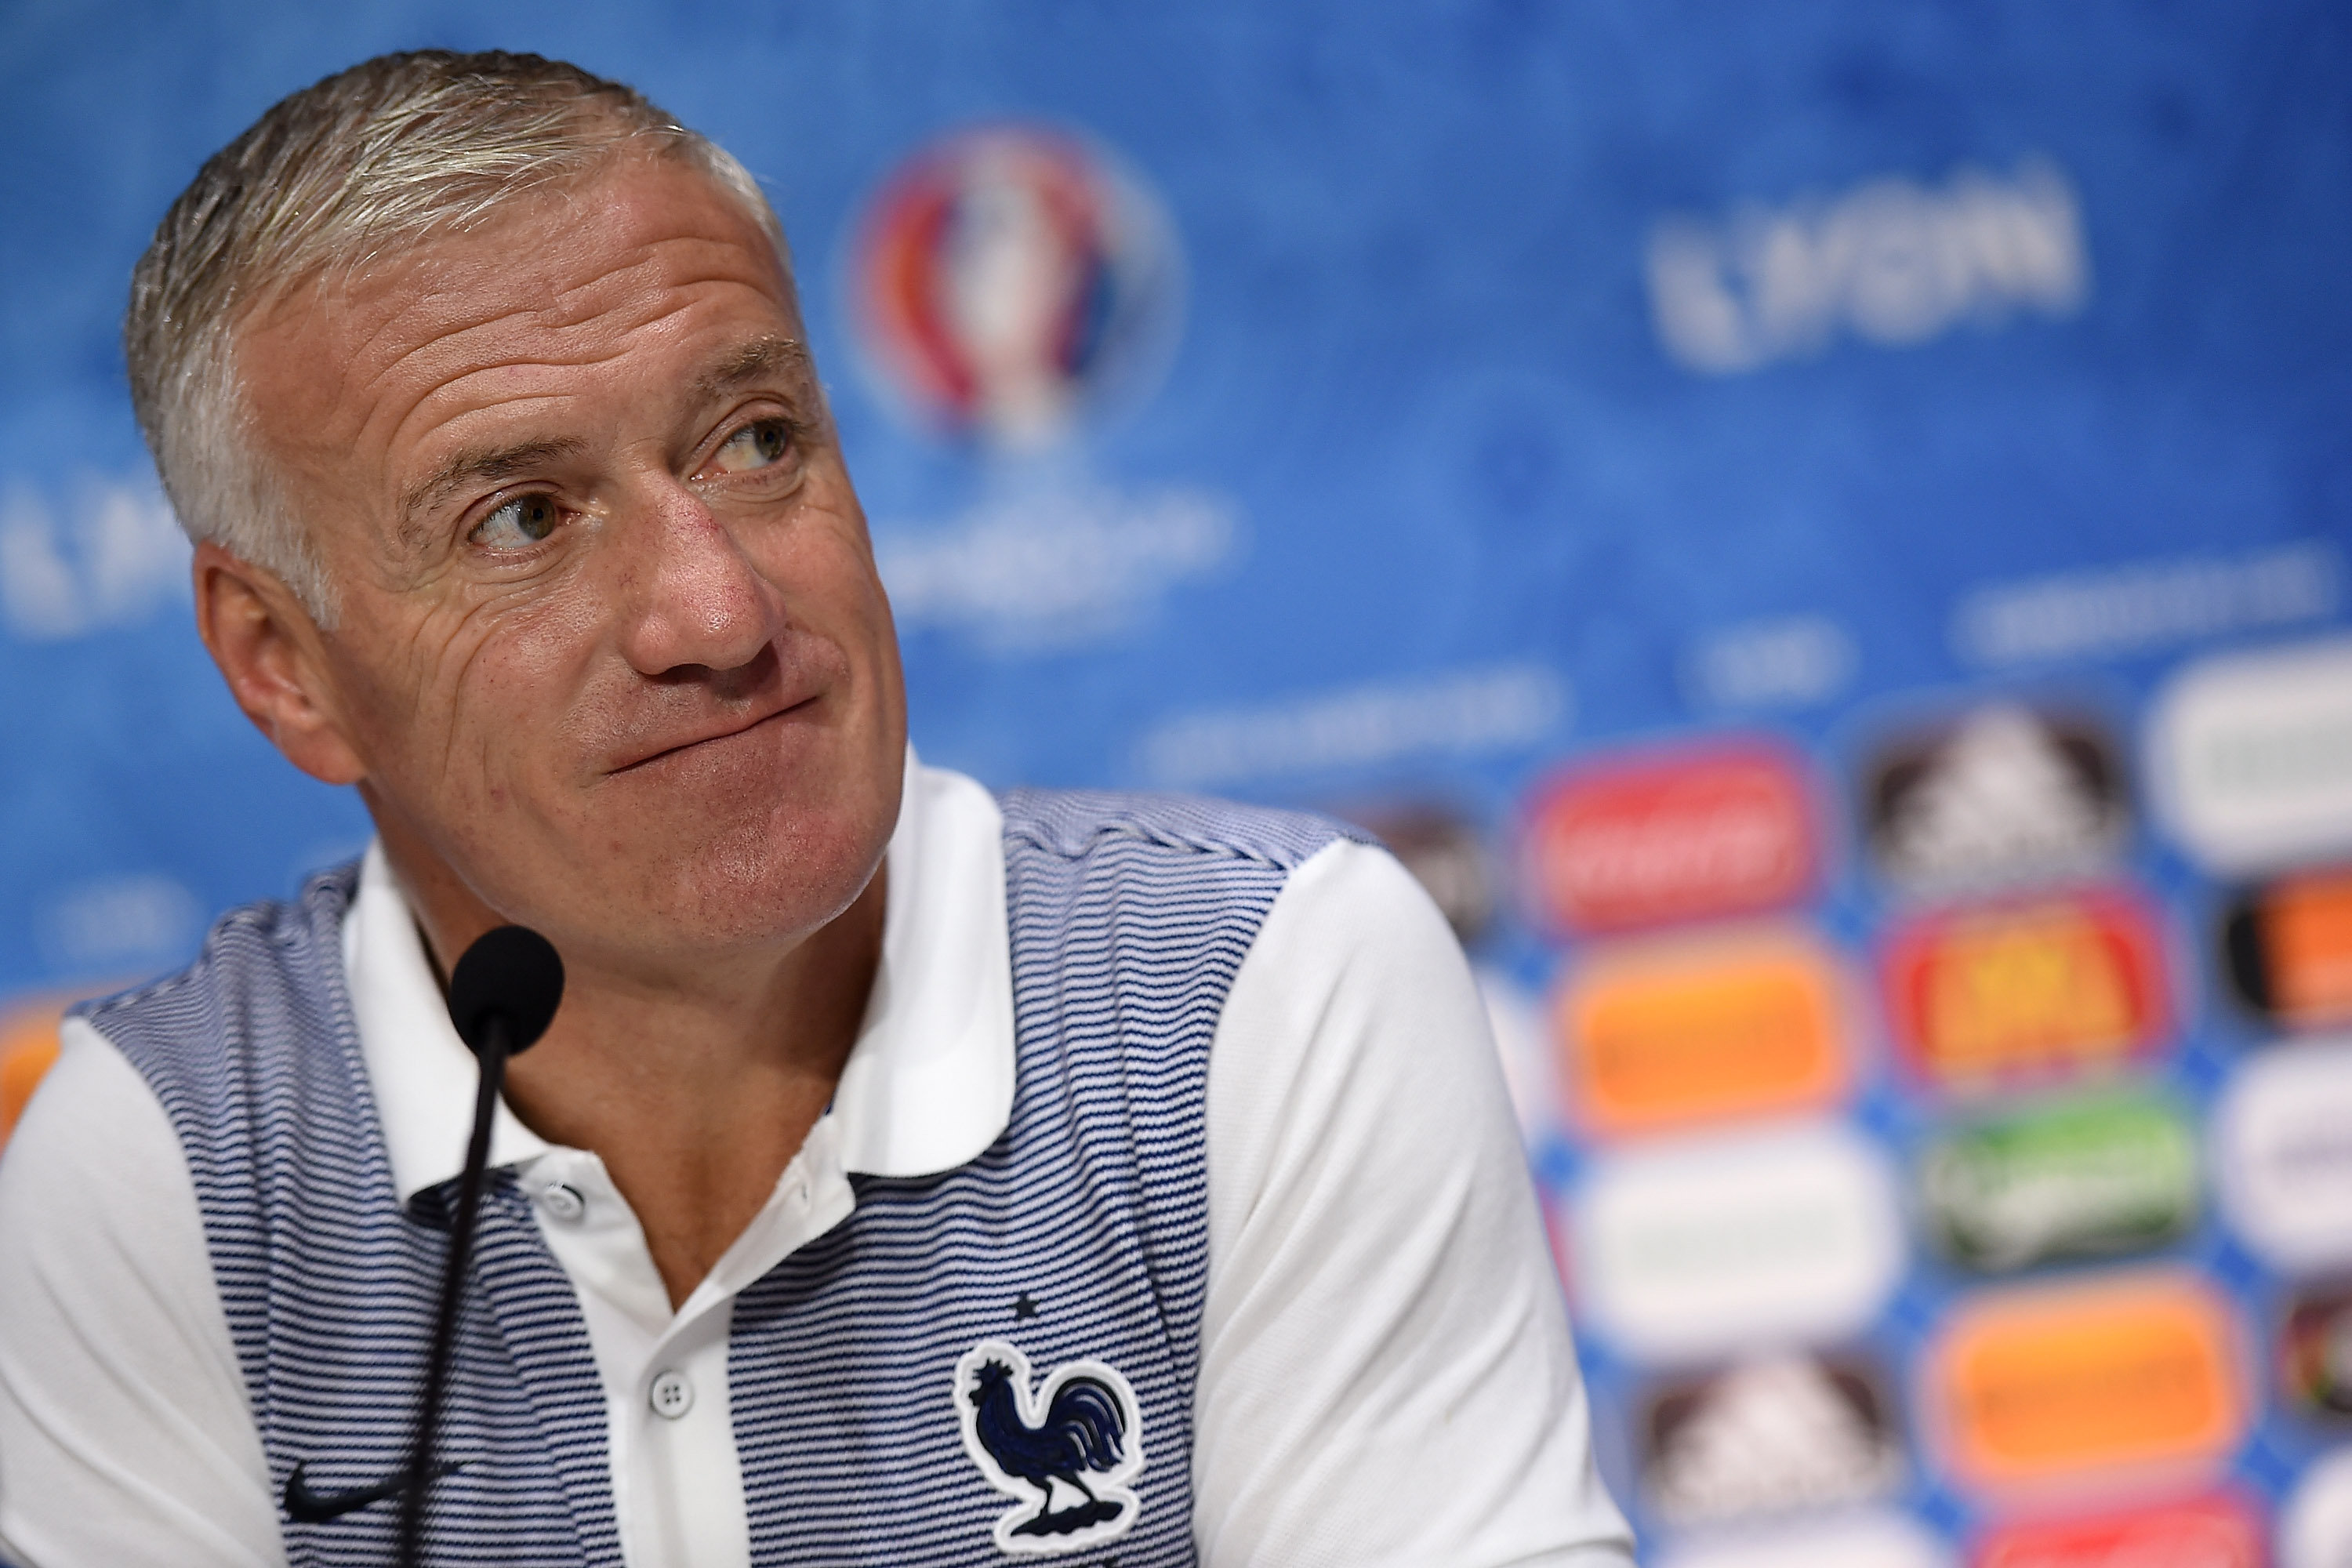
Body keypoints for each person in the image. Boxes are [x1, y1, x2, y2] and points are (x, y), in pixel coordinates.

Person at [0, 50, 1633, 1568]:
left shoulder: (1259, 990)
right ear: (283, 662)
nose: (715, 611)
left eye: (756, 438)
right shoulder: (161, 1173)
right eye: (521, 518)